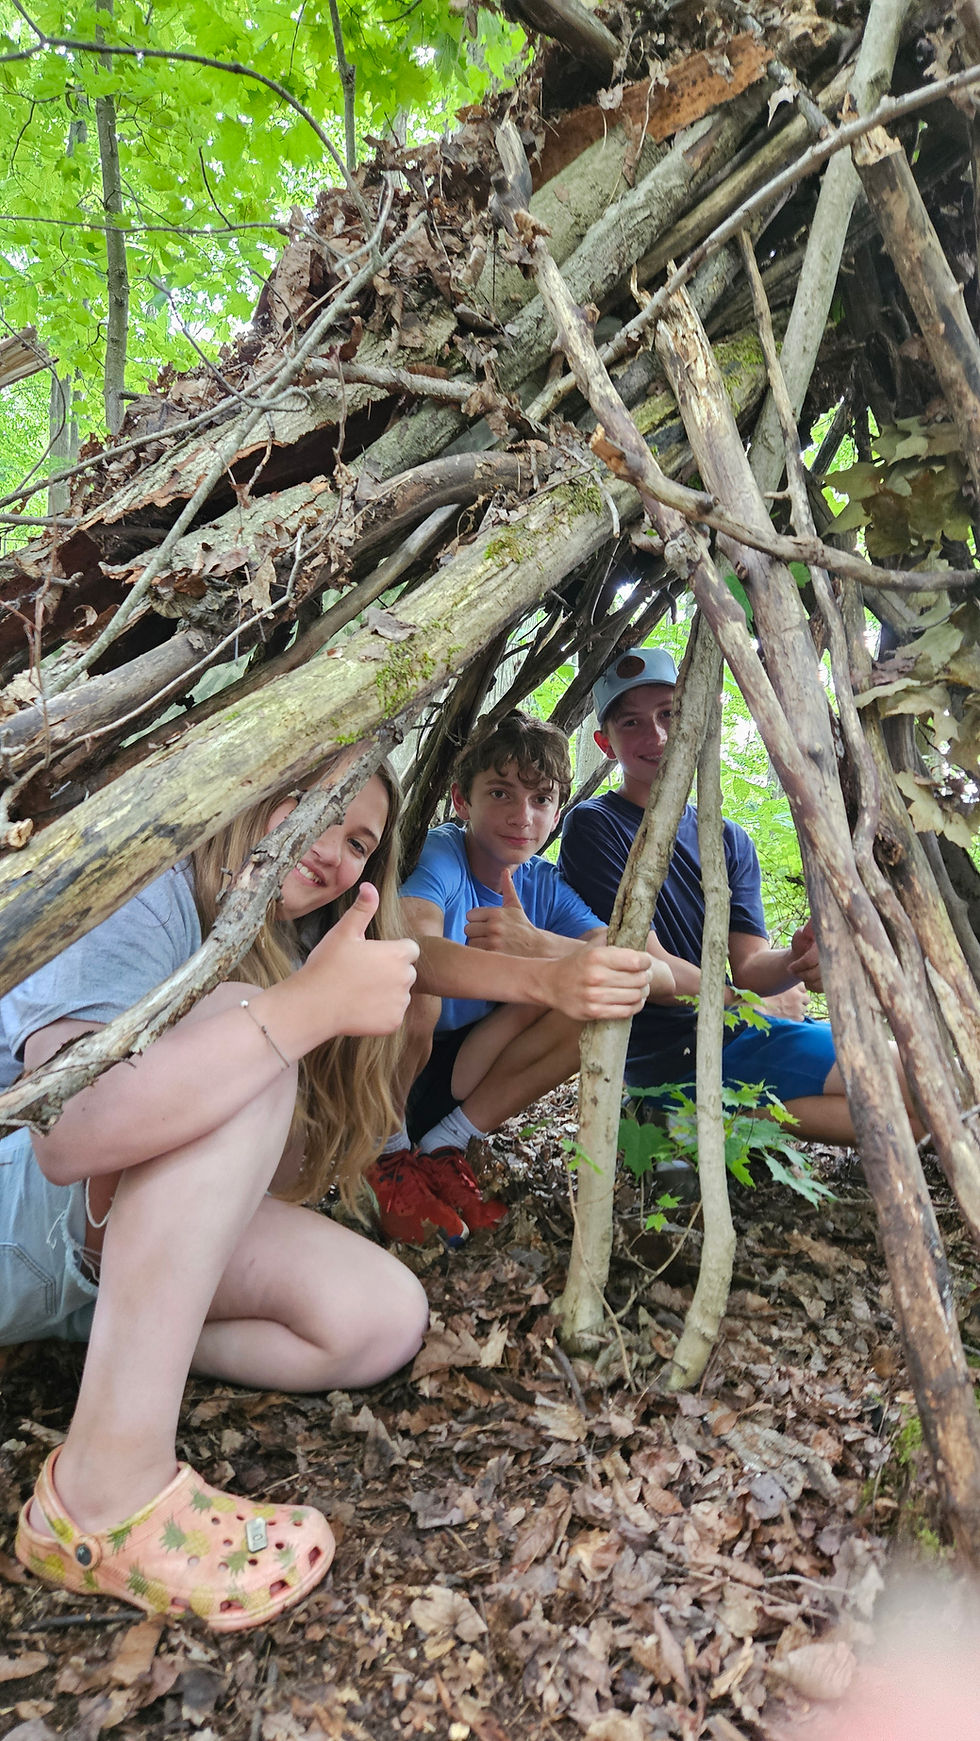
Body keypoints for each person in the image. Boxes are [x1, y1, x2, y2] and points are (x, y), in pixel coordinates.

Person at [2, 762, 426, 1633]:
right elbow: (68, 1128)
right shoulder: (144, 889)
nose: (336, 854)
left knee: (379, 1316)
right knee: (248, 1023)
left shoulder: (267, 942)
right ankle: (101, 1491)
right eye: (323, 812)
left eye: (360, 844)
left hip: (76, 1250)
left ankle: (124, 1344)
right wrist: (296, 1014)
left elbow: (259, 1179)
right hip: (20, 1198)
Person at [558, 646, 897, 1145]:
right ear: (605, 744)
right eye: (631, 723)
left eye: (670, 713)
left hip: (737, 1032)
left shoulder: (729, 838)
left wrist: (793, 961)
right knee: (910, 1083)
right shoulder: (595, 826)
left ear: (695, 718)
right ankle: (683, 1110)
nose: (656, 735)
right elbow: (647, 966)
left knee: (913, 1111)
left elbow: (750, 962)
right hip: (668, 1046)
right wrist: (746, 1006)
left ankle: (703, 1121)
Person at [367, 711, 671, 1244]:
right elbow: (413, 952)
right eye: (502, 794)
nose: (522, 816)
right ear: (463, 801)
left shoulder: (544, 886)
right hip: (384, 1071)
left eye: (541, 799)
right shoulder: (445, 853)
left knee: (602, 992)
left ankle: (445, 1146)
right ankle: (386, 1159)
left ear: (557, 812)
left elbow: (641, 966)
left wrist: (543, 949)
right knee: (421, 990)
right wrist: (545, 978)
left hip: (464, 1075)